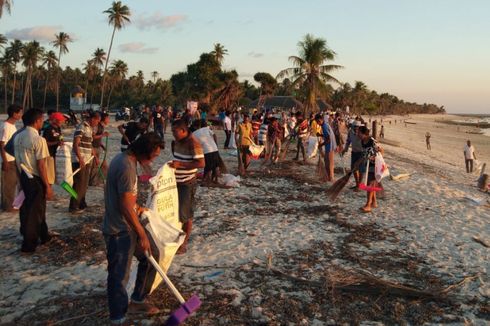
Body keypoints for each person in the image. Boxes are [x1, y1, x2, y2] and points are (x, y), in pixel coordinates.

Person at [103, 132, 164, 324]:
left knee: (151, 255)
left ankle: (137, 299)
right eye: (153, 155)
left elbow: (126, 200)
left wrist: (137, 208)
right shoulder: (126, 167)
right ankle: (118, 317)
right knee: (119, 275)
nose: (154, 159)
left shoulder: (126, 160)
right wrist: (141, 233)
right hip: (119, 230)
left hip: (128, 225)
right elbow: (124, 206)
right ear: (145, 151)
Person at [14, 108, 53, 253]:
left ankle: (44, 235)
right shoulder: (38, 139)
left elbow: (16, 161)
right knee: (34, 212)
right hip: (35, 178)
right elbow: (41, 165)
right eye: (41, 120)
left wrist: (20, 179)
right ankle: (29, 244)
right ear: (37, 121)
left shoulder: (18, 137)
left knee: (34, 208)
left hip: (23, 176)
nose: (42, 122)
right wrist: (47, 185)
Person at [170, 119, 205, 254]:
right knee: (176, 212)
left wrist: (181, 165)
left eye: (175, 131)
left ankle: (183, 244)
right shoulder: (177, 141)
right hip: (175, 182)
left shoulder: (193, 143)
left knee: (186, 214)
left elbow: (201, 163)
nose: (173, 134)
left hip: (187, 183)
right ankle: (177, 239)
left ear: (183, 131)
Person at [69, 111, 100, 213]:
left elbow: (89, 144)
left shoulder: (89, 128)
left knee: (84, 183)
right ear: (92, 119)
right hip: (79, 160)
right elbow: (76, 143)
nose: (97, 123)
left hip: (87, 159)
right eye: (97, 120)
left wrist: (95, 156)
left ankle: (82, 203)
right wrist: (80, 158)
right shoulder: (82, 127)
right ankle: (73, 206)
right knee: (78, 183)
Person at [0, 104, 23, 211]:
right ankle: (7, 207)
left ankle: (12, 204)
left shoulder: (12, 126)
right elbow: (1, 144)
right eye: (20, 113)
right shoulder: (5, 126)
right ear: (14, 114)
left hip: (14, 159)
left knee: (15, 183)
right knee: (8, 185)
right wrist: (5, 161)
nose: (21, 115)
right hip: (7, 160)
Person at [358, 125, 384, 213]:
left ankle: (368, 205)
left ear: (364, 133)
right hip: (368, 165)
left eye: (359, 132)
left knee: (370, 185)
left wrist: (373, 157)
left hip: (375, 165)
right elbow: (365, 153)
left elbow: (381, 151)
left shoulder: (372, 141)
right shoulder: (362, 141)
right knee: (371, 184)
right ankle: (374, 202)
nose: (357, 134)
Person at [192, 119, 221, 184]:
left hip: (206, 151)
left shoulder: (194, 134)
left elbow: (194, 145)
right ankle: (216, 179)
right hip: (214, 149)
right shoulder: (206, 129)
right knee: (216, 165)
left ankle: (208, 180)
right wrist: (216, 145)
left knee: (208, 166)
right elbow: (214, 135)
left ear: (195, 127)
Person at [42, 112, 65, 187]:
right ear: (55, 120)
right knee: (49, 175)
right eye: (60, 120)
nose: (62, 122)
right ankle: (48, 191)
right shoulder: (48, 129)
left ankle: (49, 190)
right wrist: (56, 143)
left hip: (56, 154)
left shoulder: (58, 128)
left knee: (53, 174)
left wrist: (61, 141)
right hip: (49, 154)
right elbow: (45, 143)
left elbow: (60, 137)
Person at [90, 112, 110, 186]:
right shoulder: (96, 126)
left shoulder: (101, 126)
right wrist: (103, 135)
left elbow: (98, 138)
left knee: (95, 165)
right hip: (93, 148)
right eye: (108, 118)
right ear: (103, 119)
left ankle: (92, 181)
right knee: (94, 165)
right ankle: (91, 182)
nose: (108, 120)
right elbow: (92, 137)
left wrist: (102, 145)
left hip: (97, 147)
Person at [315, 114, 337, 182]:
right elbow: (327, 135)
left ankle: (331, 178)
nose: (318, 123)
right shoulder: (325, 125)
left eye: (318, 121)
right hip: (330, 146)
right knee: (327, 161)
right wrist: (320, 135)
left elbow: (328, 139)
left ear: (321, 119)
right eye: (317, 122)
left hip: (330, 146)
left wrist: (321, 145)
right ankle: (329, 177)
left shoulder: (324, 126)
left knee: (329, 163)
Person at [343, 120, 363, 190]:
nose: (356, 128)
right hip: (354, 152)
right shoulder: (350, 132)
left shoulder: (362, 133)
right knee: (353, 169)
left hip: (361, 153)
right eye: (355, 127)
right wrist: (345, 149)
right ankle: (357, 184)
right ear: (353, 127)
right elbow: (348, 141)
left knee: (361, 170)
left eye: (358, 127)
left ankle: (359, 185)